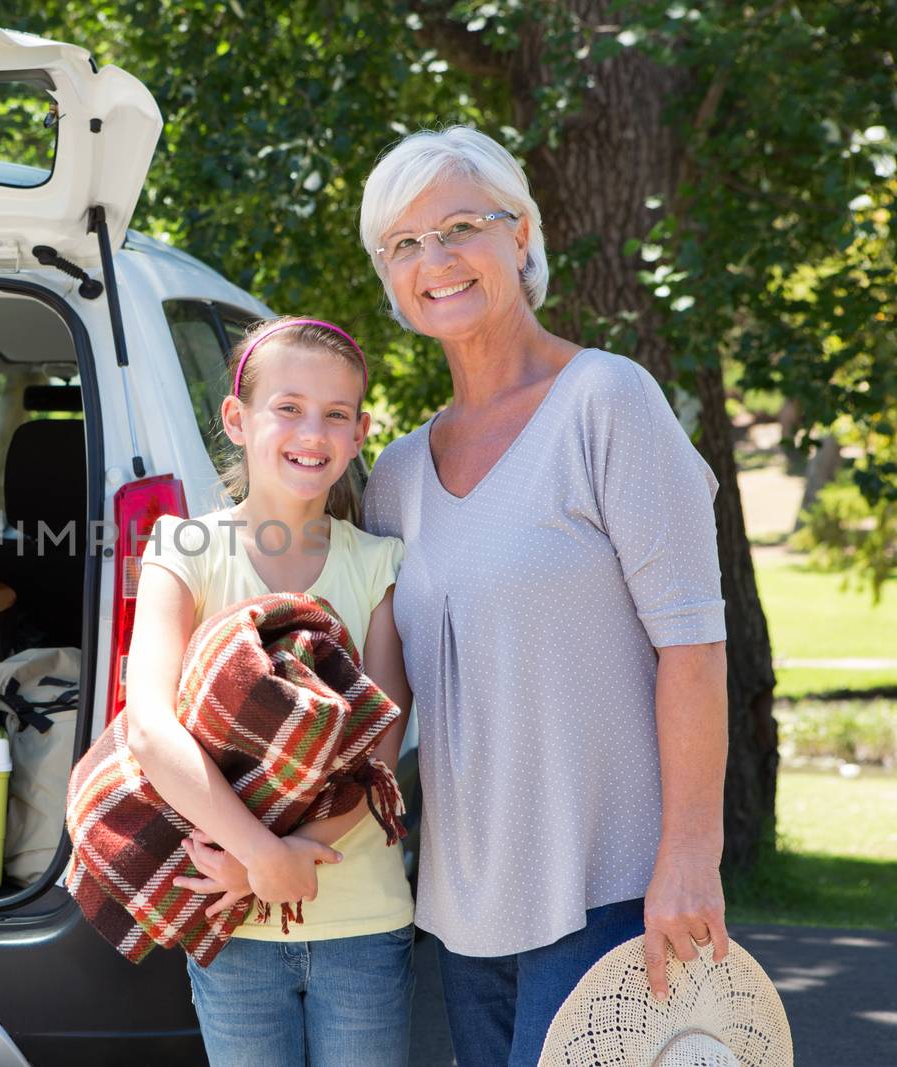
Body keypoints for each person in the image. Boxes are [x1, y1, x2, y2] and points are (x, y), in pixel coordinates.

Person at [357, 124, 729, 1067]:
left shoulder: (609, 401)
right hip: (460, 905)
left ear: (521, 234)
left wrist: (690, 857)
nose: (433, 261)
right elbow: (383, 697)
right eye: (402, 244)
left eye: (460, 227)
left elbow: (694, 646)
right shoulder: (397, 475)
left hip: (609, 893)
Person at [124, 317, 416, 1067]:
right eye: (287, 407)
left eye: (336, 414)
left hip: (363, 920)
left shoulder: (378, 564)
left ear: (359, 433)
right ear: (236, 418)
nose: (311, 431)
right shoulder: (182, 549)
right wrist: (258, 855)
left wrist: (292, 855)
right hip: (233, 920)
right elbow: (151, 729)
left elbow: (378, 751)